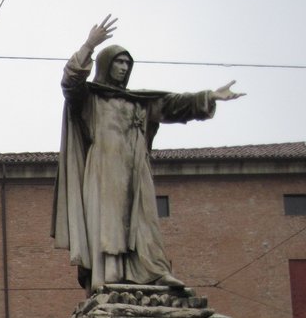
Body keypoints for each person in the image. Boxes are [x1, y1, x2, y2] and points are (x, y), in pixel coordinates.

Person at [53, 15, 243, 292]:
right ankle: (110, 277)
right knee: (109, 224)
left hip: (136, 167)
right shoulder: (90, 99)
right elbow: (70, 82)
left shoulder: (139, 102)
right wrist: (89, 45)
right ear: (106, 65)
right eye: (118, 62)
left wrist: (210, 96)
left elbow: (174, 105)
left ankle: (155, 271)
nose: (123, 67)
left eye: (127, 63)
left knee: (145, 221)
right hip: (104, 169)